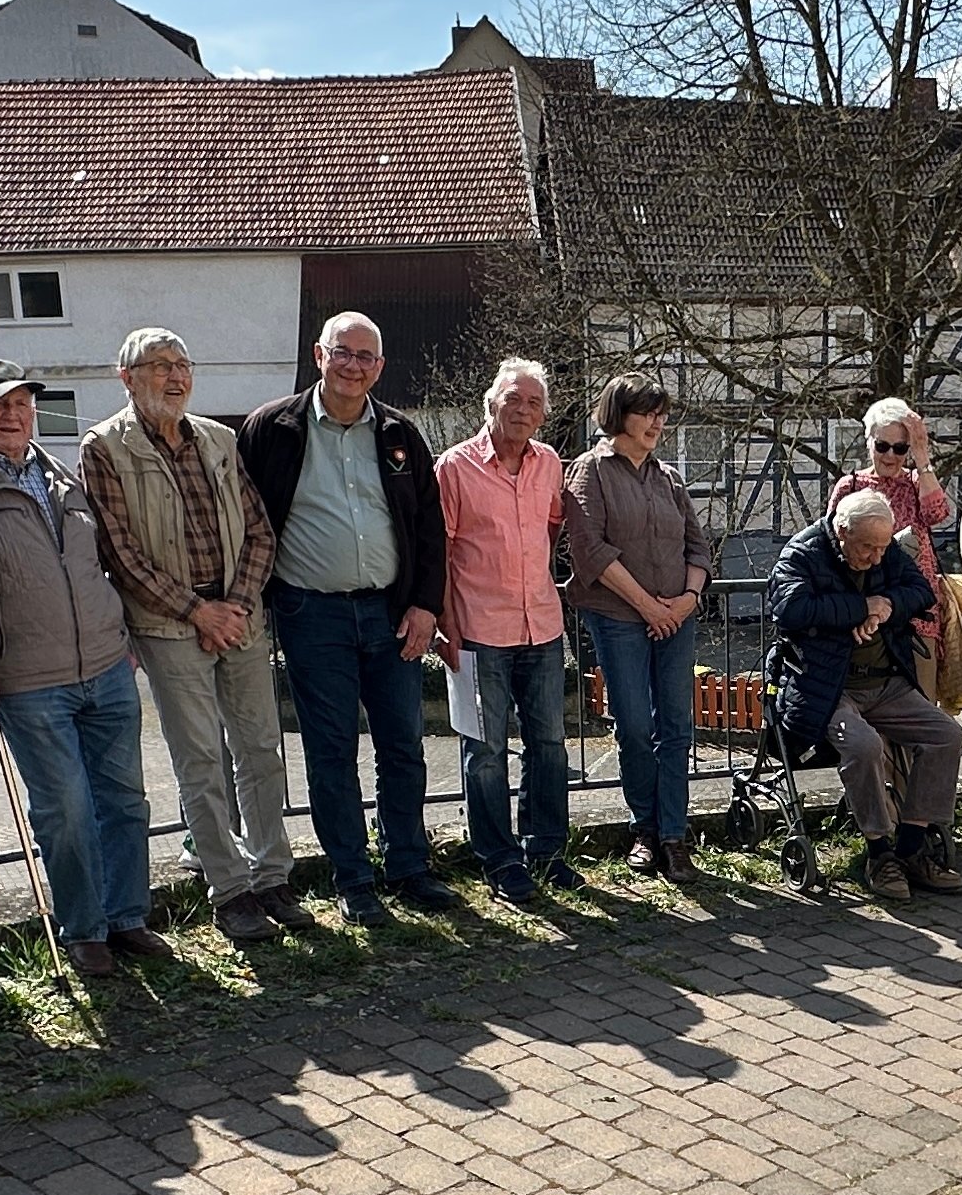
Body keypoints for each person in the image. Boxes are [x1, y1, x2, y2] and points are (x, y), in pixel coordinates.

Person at [85, 327, 311, 945]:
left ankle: (273, 877)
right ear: (127, 377)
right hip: (169, 626)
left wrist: (234, 605)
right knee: (201, 760)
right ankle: (230, 889)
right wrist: (198, 612)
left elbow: (260, 532)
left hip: (238, 617)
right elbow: (121, 554)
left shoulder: (218, 439)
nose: (175, 376)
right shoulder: (104, 447)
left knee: (261, 748)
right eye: (159, 365)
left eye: (182, 364)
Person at [241, 312, 461, 926]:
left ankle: (408, 867)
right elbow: (246, 519)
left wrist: (426, 605)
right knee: (332, 751)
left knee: (403, 746)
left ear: (380, 367)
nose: (354, 366)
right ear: (319, 355)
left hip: (392, 613)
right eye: (343, 352)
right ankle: (354, 878)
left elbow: (428, 526)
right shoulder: (272, 429)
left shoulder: (399, 433)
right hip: (311, 613)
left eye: (366, 357)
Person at [0, 358, 166, 982]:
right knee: (66, 810)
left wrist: (123, 635)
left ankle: (127, 917)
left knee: (125, 801)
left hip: (106, 665)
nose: (13, 415)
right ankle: (85, 929)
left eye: (22, 403)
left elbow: (100, 560)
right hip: (27, 680)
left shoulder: (62, 474)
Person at [767, 488, 962, 902]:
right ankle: (879, 852)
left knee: (945, 734)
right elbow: (790, 609)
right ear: (842, 532)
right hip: (828, 688)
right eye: (866, 548)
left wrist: (885, 605)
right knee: (864, 744)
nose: (876, 558)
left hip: (885, 681)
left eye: (882, 548)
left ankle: (911, 846)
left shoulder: (883, 549)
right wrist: (861, 607)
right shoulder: (802, 553)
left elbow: (922, 590)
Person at [436, 358, 575, 906]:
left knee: (550, 745)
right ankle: (500, 859)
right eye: (513, 398)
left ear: (544, 414)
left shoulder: (550, 463)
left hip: (541, 625)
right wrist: (446, 623)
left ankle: (546, 850)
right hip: (478, 630)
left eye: (534, 402)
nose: (523, 410)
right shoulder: (455, 467)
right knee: (485, 751)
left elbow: (552, 528)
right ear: (490, 403)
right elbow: (440, 551)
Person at [566, 374, 715, 875]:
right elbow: (591, 551)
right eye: (646, 412)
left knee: (676, 727)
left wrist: (686, 601)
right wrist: (649, 608)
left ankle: (673, 835)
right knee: (633, 726)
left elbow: (698, 547)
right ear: (618, 415)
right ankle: (643, 829)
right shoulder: (590, 470)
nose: (657, 422)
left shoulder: (668, 477)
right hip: (618, 619)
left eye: (661, 413)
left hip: (677, 618)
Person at [828, 397, 962, 715]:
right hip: (865, 614)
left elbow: (938, 513)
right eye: (882, 446)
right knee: (872, 714)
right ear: (869, 441)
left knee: (920, 710)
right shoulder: (850, 486)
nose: (891, 455)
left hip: (915, 614)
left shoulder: (917, 483)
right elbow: (831, 545)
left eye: (900, 448)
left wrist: (922, 456)